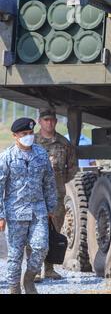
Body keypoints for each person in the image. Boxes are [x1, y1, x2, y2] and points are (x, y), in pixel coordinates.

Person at [0, 118, 57, 294]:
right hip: (15, 212)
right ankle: (14, 288)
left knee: (41, 247)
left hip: (38, 211)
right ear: (15, 136)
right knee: (15, 255)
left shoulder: (41, 154)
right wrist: (0, 215)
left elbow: (49, 182)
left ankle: (29, 279)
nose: (28, 137)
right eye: (24, 134)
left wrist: (51, 208)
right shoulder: (6, 157)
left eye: (31, 133)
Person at [34, 107, 78, 279]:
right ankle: (34, 270)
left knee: (54, 232)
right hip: (36, 196)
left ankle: (49, 269)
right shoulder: (33, 141)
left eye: (52, 120)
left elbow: (72, 167)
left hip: (57, 197)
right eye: (46, 120)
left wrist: (59, 181)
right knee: (36, 233)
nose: (49, 123)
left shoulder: (63, 143)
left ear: (56, 121)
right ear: (40, 122)